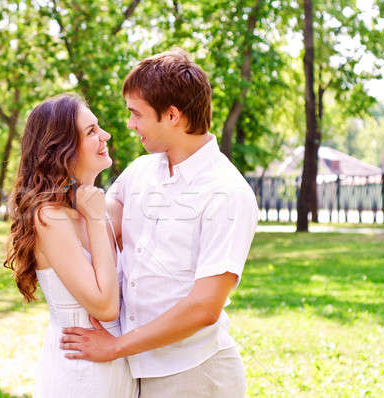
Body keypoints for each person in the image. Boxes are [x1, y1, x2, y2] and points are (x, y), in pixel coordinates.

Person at [60, 49, 259, 397]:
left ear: (172, 115)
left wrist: (116, 346)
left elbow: (204, 308)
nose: (129, 124)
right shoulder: (141, 171)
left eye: (136, 114)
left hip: (193, 374)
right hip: (135, 373)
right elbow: (99, 229)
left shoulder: (227, 192)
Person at [4, 94, 138, 398]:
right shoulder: (50, 217)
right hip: (81, 373)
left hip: (116, 369)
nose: (105, 136)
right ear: (61, 149)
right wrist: (94, 217)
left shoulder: (93, 206)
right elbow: (104, 307)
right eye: (91, 131)